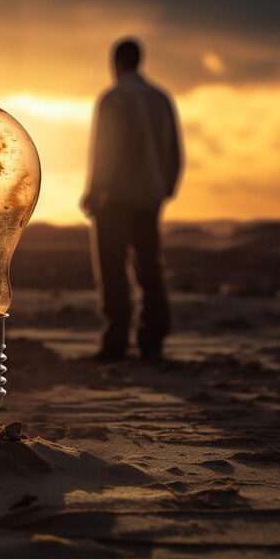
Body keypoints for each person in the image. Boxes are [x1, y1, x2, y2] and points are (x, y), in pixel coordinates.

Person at [81, 37, 183, 362]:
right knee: (149, 266)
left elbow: (106, 150)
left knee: (113, 269)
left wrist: (96, 190)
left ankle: (116, 341)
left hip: (115, 197)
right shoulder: (160, 98)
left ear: (116, 63)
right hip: (150, 196)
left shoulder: (114, 98)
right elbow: (174, 150)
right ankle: (153, 338)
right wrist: (166, 187)